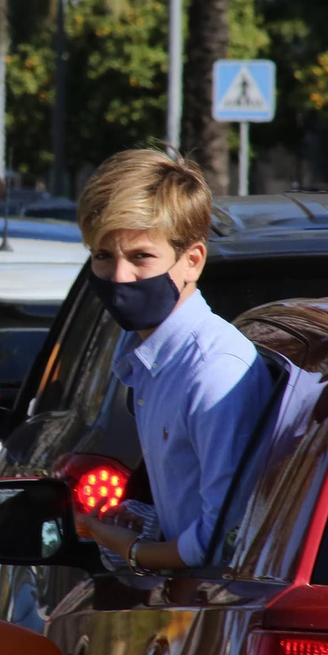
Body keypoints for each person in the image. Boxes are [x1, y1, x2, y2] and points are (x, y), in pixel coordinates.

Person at [74, 148, 274, 572]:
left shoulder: (214, 370)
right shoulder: (148, 358)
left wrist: (130, 549)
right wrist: (146, 520)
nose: (119, 277)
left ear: (192, 261)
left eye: (141, 257)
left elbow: (221, 543)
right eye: (103, 256)